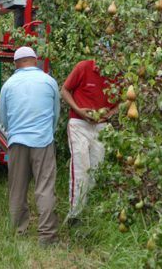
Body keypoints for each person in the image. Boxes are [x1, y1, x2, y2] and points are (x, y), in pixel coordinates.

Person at [0, 46, 60, 246]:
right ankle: (47, 237)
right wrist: (47, 134)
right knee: (45, 188)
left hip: (17, 141)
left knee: (17, 189)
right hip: (43, 140)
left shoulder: (8, 85)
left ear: (16, 64)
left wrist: (15, 132)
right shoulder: (49, 82)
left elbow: (4, 119)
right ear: (35, 60)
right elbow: (55, 115)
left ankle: (19, 231)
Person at [61, 59, 119, 225]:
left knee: (96, 170)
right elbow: (65, 90)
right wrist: (78, 109)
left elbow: (124, 101)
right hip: (79, 124)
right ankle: (74, 215)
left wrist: (108, 115)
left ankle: (88, 214)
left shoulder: (118, 74)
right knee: (80, 167)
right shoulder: (83, 67)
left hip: (101, 127)